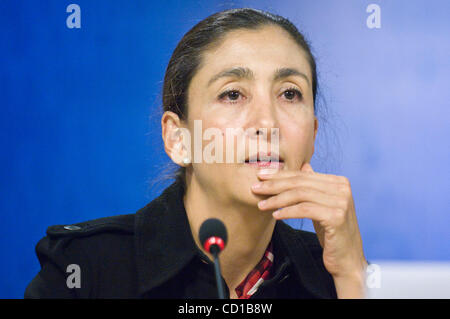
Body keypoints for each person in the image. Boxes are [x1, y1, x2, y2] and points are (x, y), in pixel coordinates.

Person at [25, 8, 368, 299]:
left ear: (312, 135)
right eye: (233, 94)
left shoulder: (331, 273)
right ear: (178, 139)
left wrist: (351, 277)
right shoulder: (84, 270)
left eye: (290, 94)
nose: (268, 122)